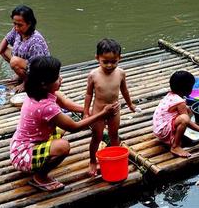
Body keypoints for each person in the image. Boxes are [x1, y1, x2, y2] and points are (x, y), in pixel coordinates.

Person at [10, 56, 119, 192]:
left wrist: (89, 111)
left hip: (22, 143)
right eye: (56, 78)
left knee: (59, 130)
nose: (61, 79)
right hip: (23, 154)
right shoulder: (46, 107)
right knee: (63, 146)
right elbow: (74, 127)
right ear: (44, 83)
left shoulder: (38, 91)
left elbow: (65, 103)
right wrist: (102, 114)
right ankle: (40, 177)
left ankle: (42, 161)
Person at [84, 38, 137, 176]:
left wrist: (130, 103)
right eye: (105, 61)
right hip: (98, 111)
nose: (109, 65)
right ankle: (92, 160)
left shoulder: (120, 73)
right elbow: (89, 94)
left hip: (114, 110)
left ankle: (114, 157)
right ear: (97, 58)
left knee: (114, 135)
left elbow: (124, 90)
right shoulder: (93, 75)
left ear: (120, 58)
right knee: (97, 137)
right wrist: (85, 112)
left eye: (114, 61)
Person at [153, 71, 199, 158]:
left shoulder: (171, 95)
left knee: (188, 110)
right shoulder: (179, 101)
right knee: (184, 118)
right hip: (162, 132)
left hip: (159, 128)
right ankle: (175, 146)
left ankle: (179, 132)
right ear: (187, 89)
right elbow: (186, 119)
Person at [0, 5, 50, 92]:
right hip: (26, 63)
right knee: (3, 50)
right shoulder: (17, 30)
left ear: (29, 23)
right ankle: (21, 75)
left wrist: (26, 83)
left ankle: (27, 82)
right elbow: (6, 39)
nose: (16, 28)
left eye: (20, 25)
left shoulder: (35, 42)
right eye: (14, 24)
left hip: (39, 72)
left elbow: (37, 69)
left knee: (14, 61)